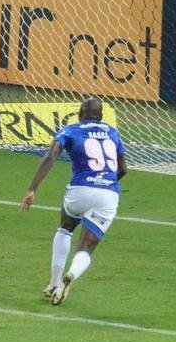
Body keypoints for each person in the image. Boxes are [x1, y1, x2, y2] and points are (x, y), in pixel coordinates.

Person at [19, 98, 127, 306]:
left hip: (79, 191)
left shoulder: (70, 130)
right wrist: (104, 183)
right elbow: (123, 170)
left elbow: (51, 156)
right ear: (101, 117)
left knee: (65, 227)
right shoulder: (113, 133)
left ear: (80, 114)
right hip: (107, 193)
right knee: (85, 248)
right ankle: (72, 274)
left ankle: (53, 283)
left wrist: (32, 189)